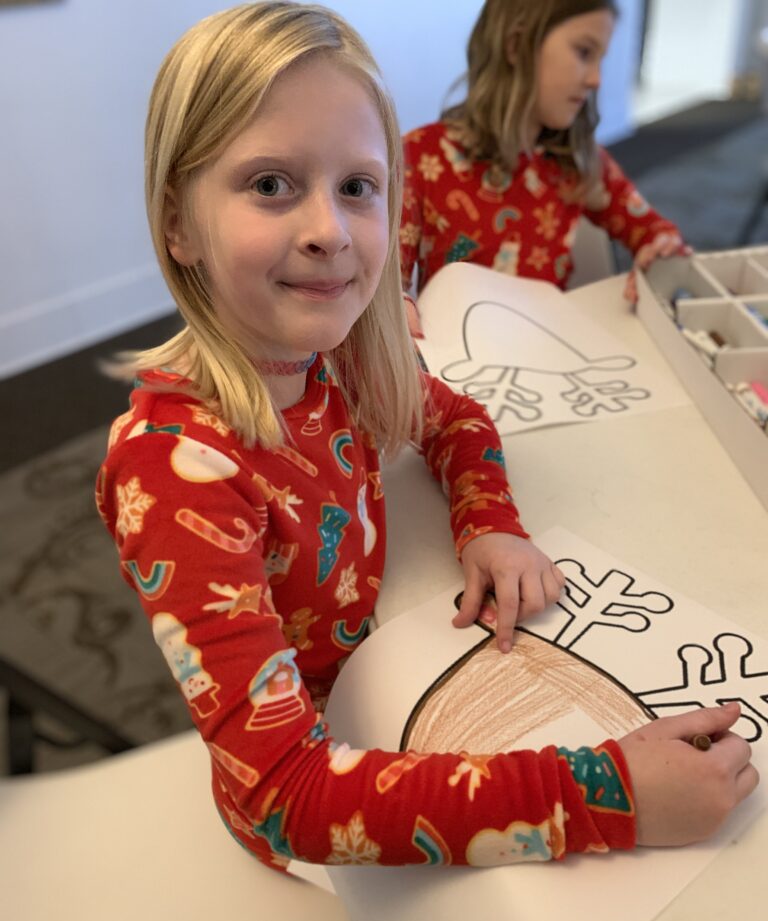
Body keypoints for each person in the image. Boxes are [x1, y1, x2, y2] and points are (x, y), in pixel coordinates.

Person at [98, 2, 757, 871]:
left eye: (357, 188)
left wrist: (489, 521)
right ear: (178, 222)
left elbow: (456, 418)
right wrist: (608, 795)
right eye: (270, 185)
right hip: (322, 815)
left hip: (395, 682)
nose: (329, 230)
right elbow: (283, 798)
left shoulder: (328, 358)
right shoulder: (175, 471)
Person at [400, 0, 688, 315]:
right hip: (454, 357)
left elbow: (657, 233)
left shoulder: (578, 160)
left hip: (551, 353)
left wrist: (658, 256)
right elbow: (384, 295)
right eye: (584, 53)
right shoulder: (420, 157)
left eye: (600, 60)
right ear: (516, 46)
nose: (596, 80)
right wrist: (401, 307)